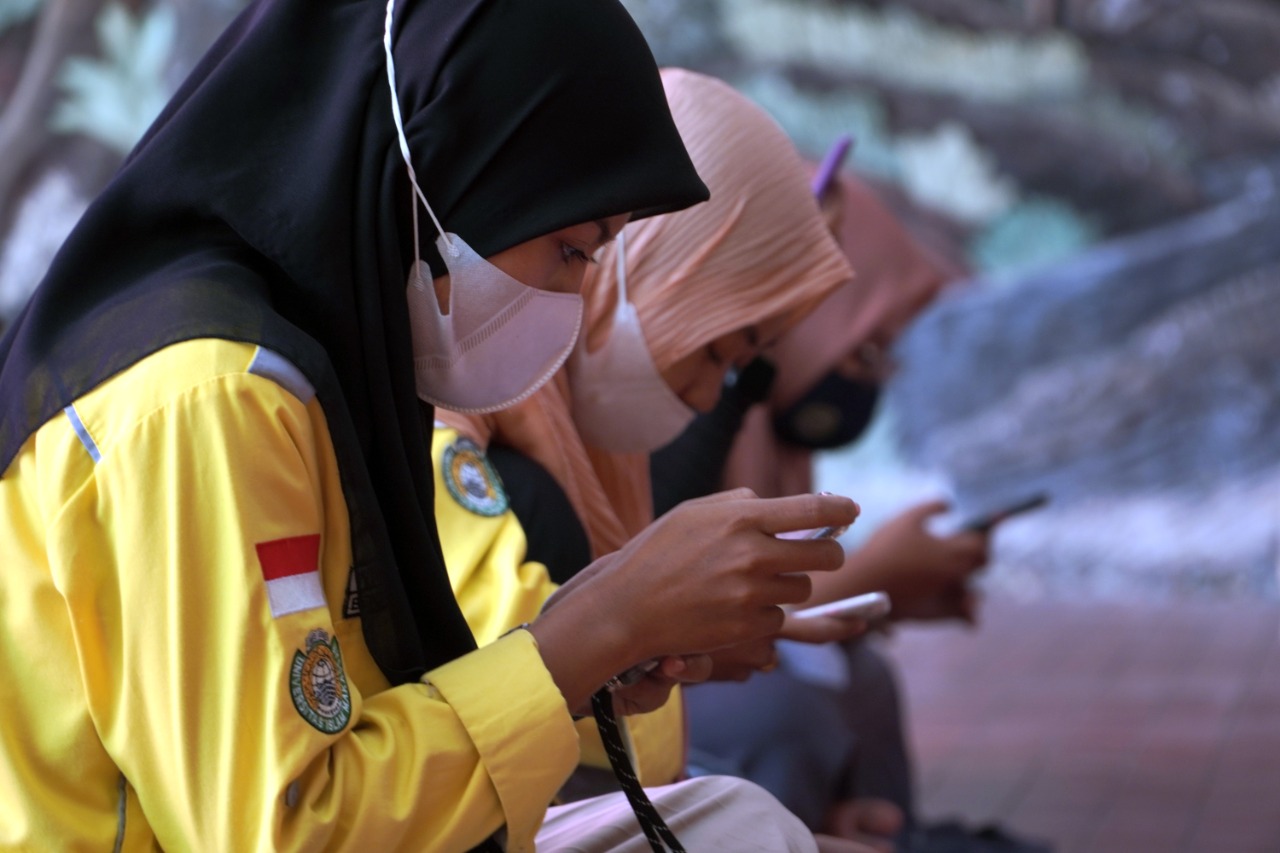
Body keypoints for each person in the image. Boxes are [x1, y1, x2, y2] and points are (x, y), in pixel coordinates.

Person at [0, 1, 858, 850]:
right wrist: (595, 631)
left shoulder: (327, 373)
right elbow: (286, 830)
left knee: (741, 824)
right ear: (444, 173)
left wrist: (607, 643)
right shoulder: (209, 395)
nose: (573, 298)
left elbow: (358, 723)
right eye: (572, 250)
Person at [432, 70, 893, 851]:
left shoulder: (583, 432)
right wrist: (663, 641)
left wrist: (670, 638)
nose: (713, 396)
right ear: (643, 258)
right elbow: (492, 649)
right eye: (719, 352)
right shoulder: (456, 402)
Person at [653, 171, 1051, 853]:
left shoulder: (765, 438)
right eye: (865, 348)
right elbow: (657, 624)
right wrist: (873, 575)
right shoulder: (678, 417)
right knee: (776, 708)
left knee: (858, 672)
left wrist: (887, 593)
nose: (870, 377)